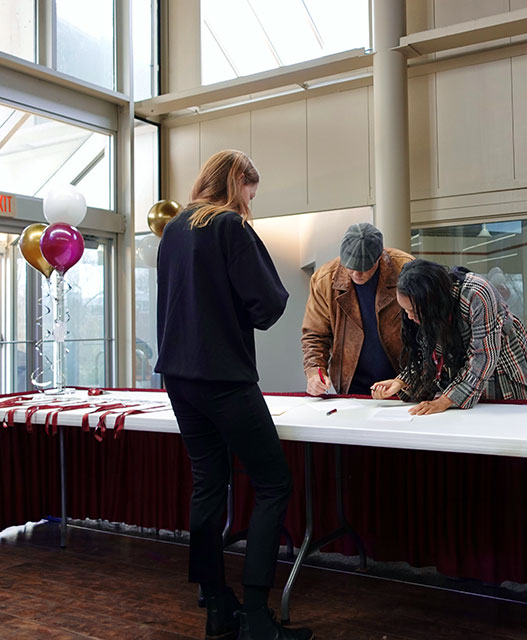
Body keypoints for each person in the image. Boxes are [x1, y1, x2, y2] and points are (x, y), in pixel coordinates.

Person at [155, 150, 313, 640]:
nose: (251, 202)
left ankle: (217, 607)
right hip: (224, 377)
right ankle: (259, 619)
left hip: (179, 378)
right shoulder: (230, 227)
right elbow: (266, 306)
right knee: (272, 484)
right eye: (251, 191)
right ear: (237, 182)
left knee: (207, 483)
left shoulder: (174, 231)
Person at [372, 259, 527, 415]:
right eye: (406, 311)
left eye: (414, 311)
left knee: (503, 429)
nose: (410, 317)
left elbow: (483, 356)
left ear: (432, 301)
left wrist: (445, 400)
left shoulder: (477, 293)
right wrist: (402, 382)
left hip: (501, 371)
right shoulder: (424, 307)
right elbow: (430, 356)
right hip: (464, 380)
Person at [302, 222, 413, 396]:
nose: (357, 275)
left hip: (402, 380)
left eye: (365, 268)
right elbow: (315, 335)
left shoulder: (404, 269)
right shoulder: (324, 280)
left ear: (379, 257)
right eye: (351, 268)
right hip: (351, 383)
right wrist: (315, 372)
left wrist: (408, 378)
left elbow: (426, 331)